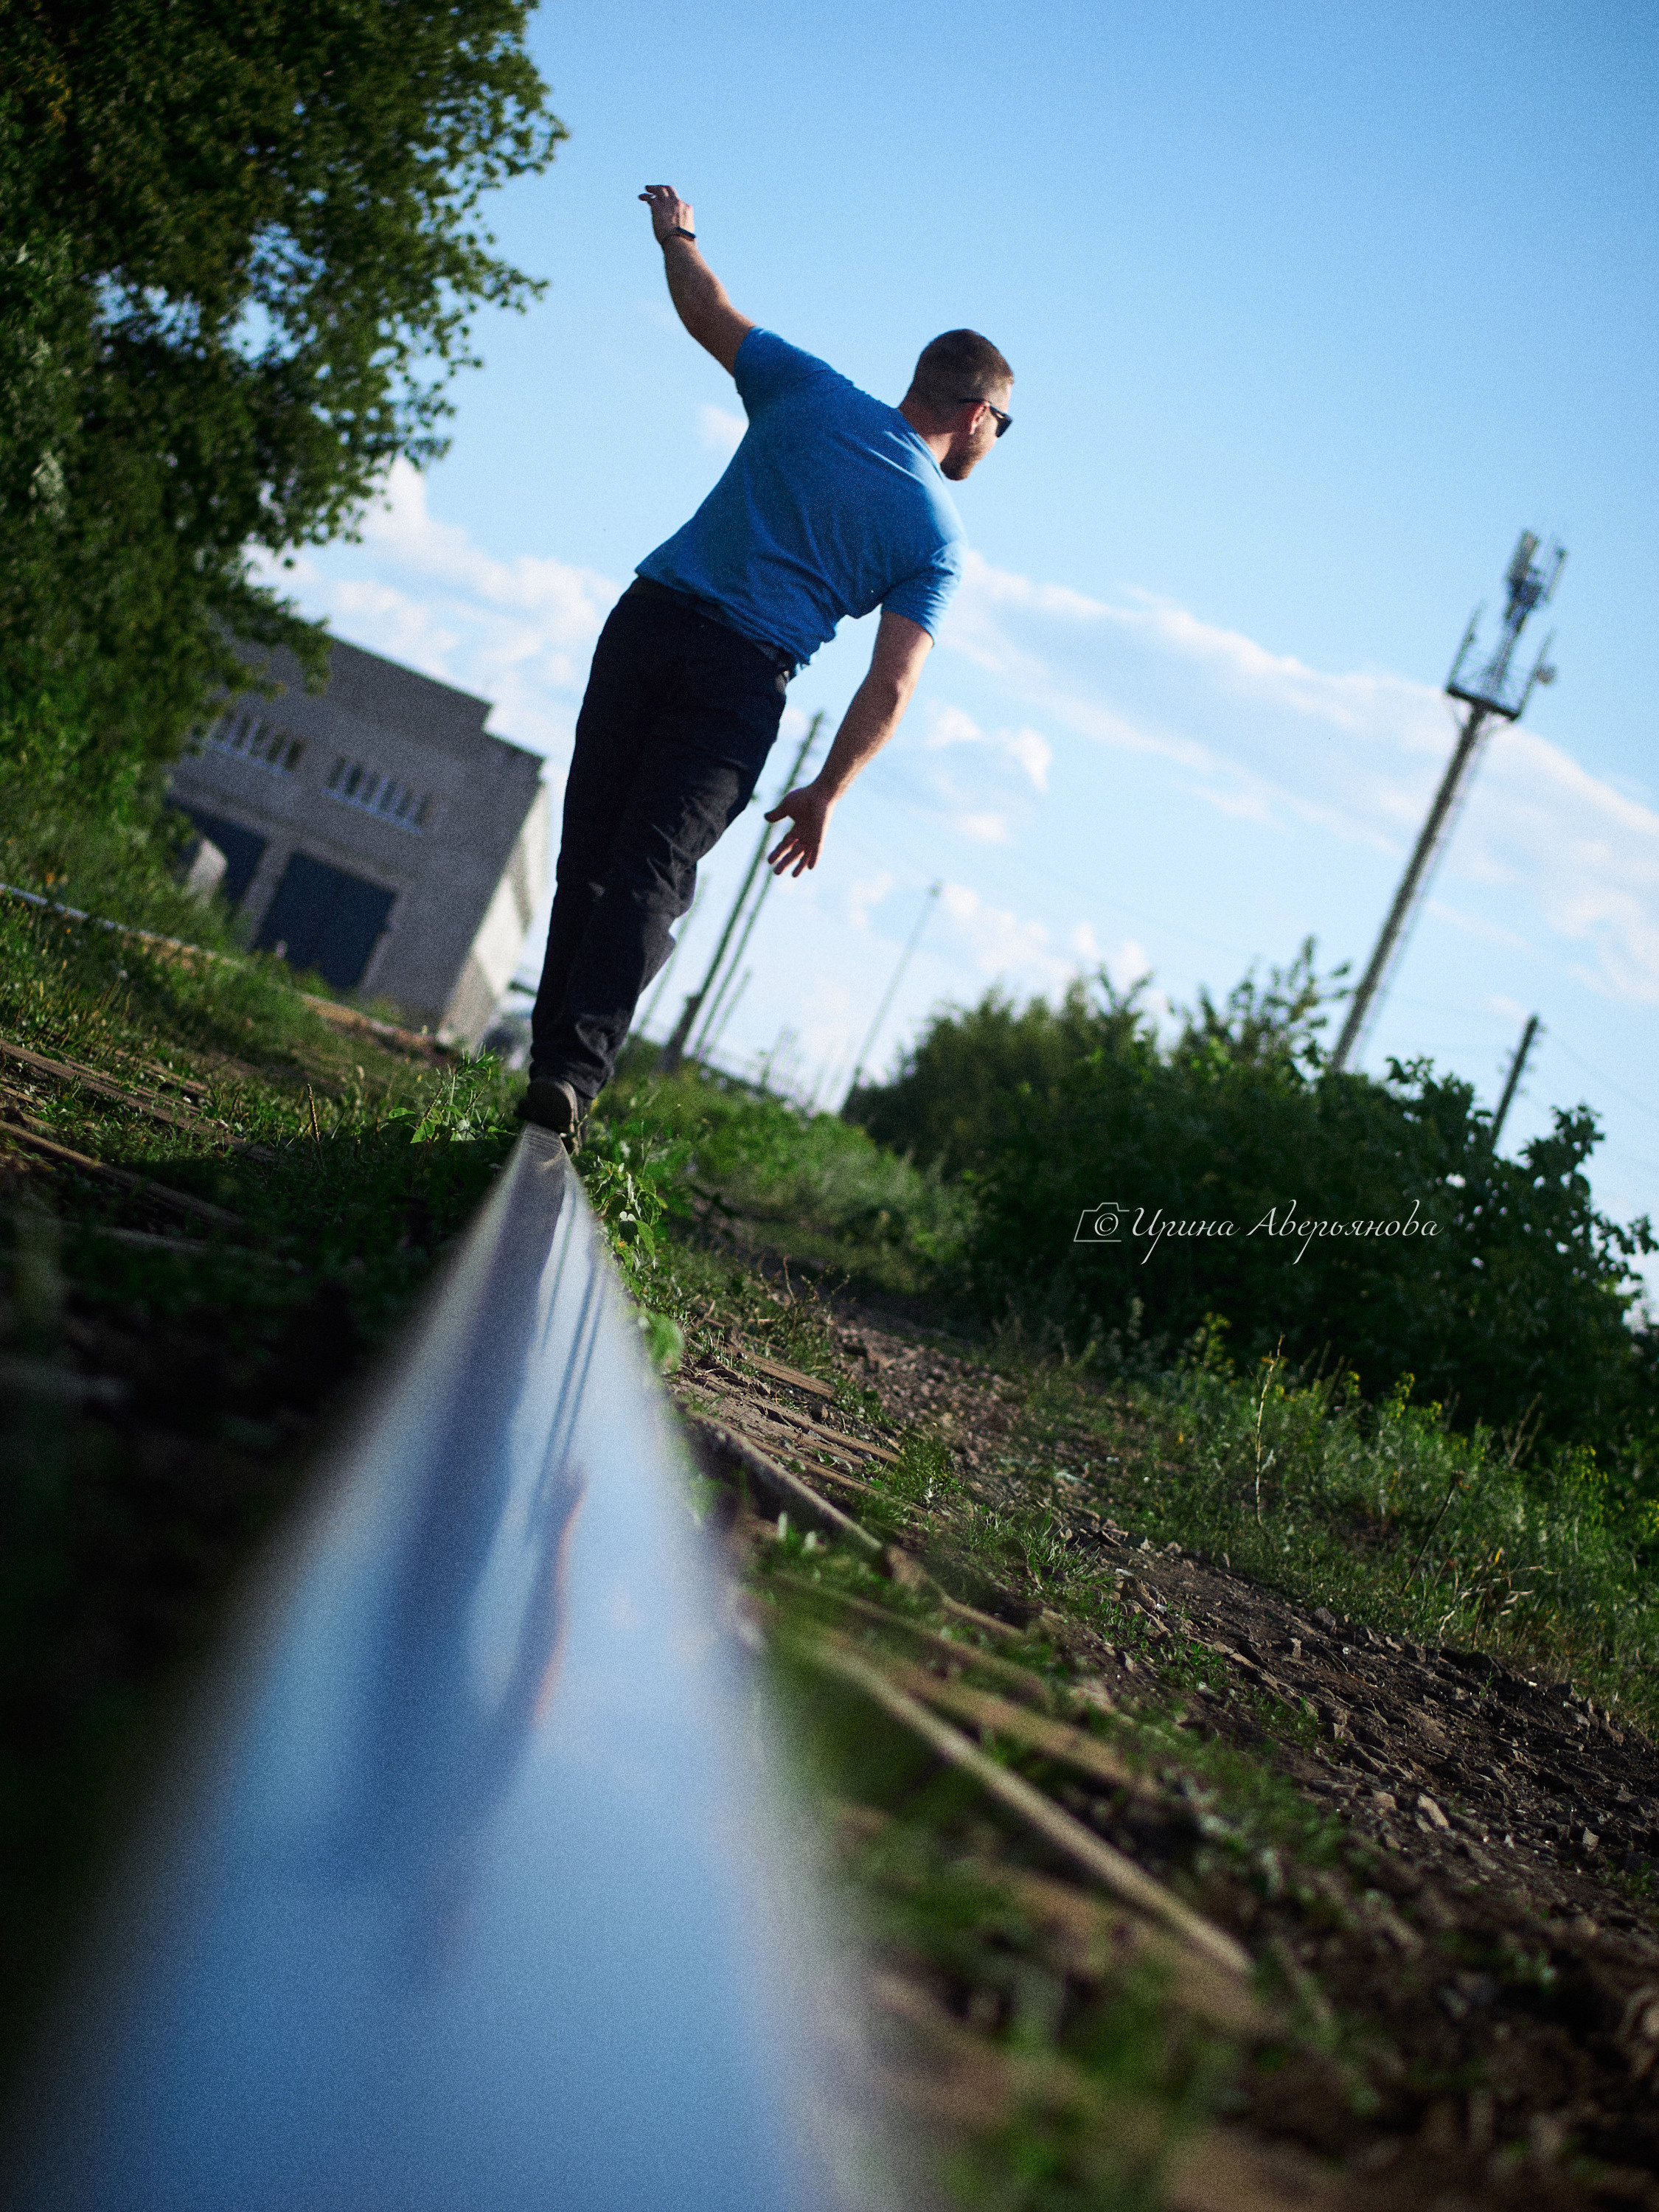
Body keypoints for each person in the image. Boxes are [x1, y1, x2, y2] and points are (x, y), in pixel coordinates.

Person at [520, 184, 1013, 1142]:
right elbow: (891, 683)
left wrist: (678, 234)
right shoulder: (937, 535)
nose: (999, 443)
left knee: (591, 857)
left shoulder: (807, 388)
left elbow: (706, 308)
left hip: (645, 624)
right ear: (975, 409)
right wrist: (827, 789)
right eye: (1004, 425)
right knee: (650, 871)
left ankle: (554, 1073)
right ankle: (568, 1080)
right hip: (738, 680)